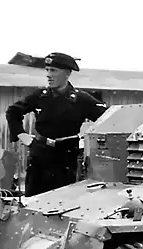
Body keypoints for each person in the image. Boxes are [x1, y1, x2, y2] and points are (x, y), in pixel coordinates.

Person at [6, 52, 108, 197]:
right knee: (32, 202)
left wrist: (86, 141)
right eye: (47, 70)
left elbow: (108, 118)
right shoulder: (40, 96)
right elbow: (13, 112)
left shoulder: (81, 99)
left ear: (67, 73)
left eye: (53, 70)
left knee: (63, 202)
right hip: (40, 157)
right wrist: (22, 135)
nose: (48, 75)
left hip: (66, 159)